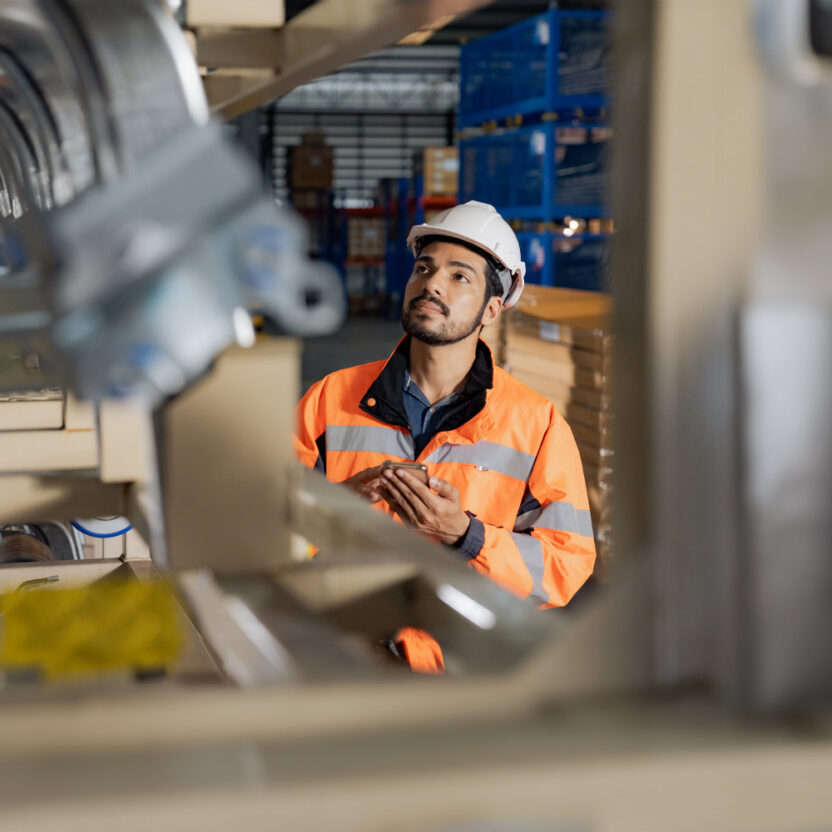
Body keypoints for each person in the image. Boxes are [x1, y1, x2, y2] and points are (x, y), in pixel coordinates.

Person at [295, 201, 596, 671]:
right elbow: (266, 531)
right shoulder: (330, 399)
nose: (432, 283)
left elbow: (566, 565)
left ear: (492, 308)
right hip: (341, 661)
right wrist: (337, 512)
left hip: (462, 677)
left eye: (460, 276)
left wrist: (467, 534)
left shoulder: (536, 424)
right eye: (424, 268)